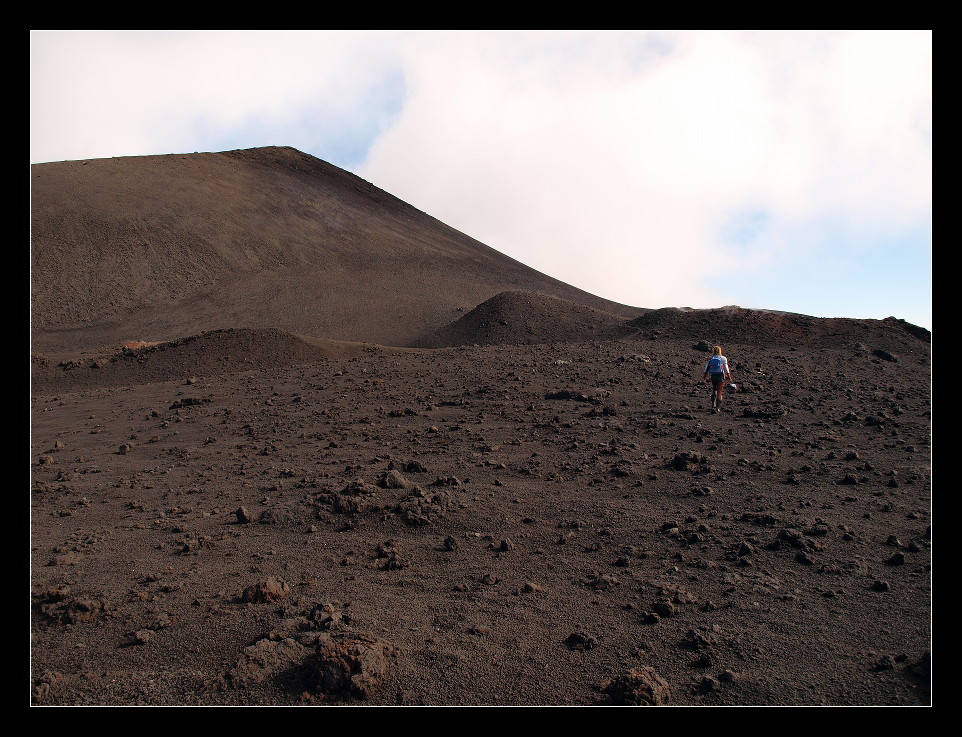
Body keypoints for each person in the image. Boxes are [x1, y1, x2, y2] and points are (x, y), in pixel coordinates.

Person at [703, 345, 733, 412]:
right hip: (720, 376)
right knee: (719, 391)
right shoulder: (723, 358)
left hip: (713, 376)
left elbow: (706, 368)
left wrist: (704, 377)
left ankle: (713, 404)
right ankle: (718, 407)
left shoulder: (710, 358)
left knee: (714, 389)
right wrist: (729, 377)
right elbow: (726, 368)